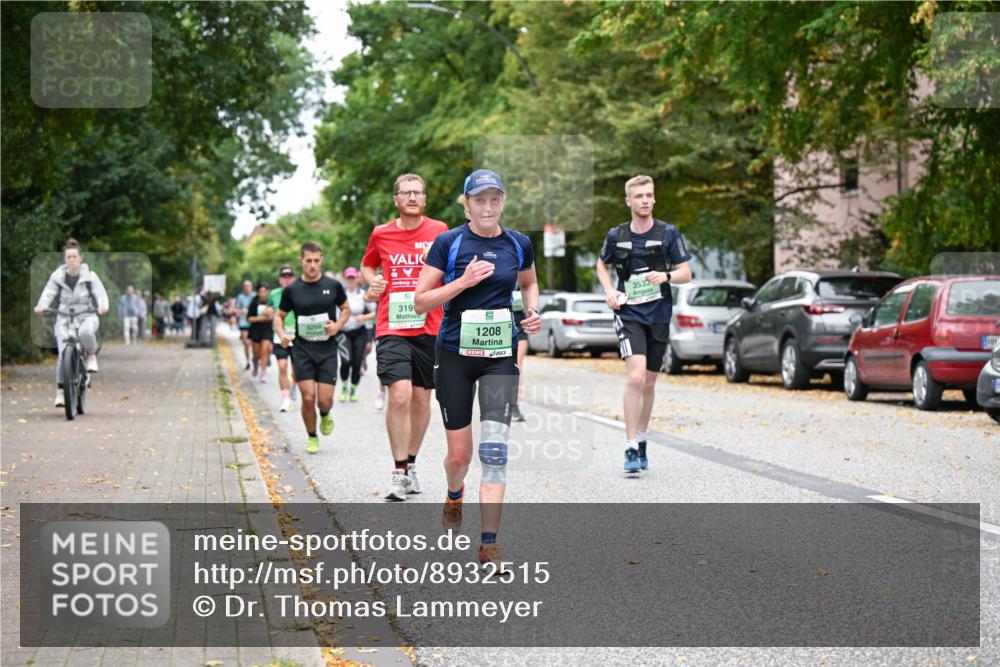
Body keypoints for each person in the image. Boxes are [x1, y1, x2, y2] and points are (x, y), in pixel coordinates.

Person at [414, 169, 541, 567]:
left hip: (500, 356)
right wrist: (463, 282)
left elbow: (529, 284)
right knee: (460, 456)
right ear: (466, 204)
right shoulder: (448, 243)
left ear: (502, 202)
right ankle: (454, 492)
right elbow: (422, 301)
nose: (488, 207)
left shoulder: (518, 243)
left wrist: (533, 310)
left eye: (495, 199)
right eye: (480, 200)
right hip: (454, 355)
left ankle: (488, 543)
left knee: (495, 451)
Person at [595, 174, 693, 474]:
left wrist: (665, 277)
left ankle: (641, 437)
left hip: (659, 314)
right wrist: (610, 291)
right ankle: (628, 446)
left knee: (649, 381)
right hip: (629, 314)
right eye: (639, 196)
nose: (646, 200)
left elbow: (686, 273)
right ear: (629, 201)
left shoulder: (668, 233)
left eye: (649, 195)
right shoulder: (617, 235)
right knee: (635, 378)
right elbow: (602, 264)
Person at [362, 173, 449, 502]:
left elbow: (451, 269)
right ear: (396, 199)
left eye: (418, 193)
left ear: (424, 199)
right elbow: (368, 265)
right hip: (392, 326)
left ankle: (411, 464)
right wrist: (374, 282)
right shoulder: (381, 234)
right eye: (405, 193)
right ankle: (398, 472)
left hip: (430, 326)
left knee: (421, 400)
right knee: (398, 395)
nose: (412, 197)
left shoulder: (440, 231)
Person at [274, 242, 350, 455]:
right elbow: (278, 317)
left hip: (327, 350)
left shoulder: (333, 286)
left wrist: (337, 326)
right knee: (308, 397)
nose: (313, 265)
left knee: (324, 400)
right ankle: (312, 436)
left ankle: (325, 413)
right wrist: (282, 335)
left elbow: (346, 309)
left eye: (316, 261)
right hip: (302, 349)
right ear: (301, 262)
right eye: (308, 261)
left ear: (321, 260)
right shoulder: (292, 290)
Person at [34, 239, 110, 407]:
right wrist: (41, 306)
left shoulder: (90, 276)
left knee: (86, 332)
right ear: (64, 259)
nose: (71, 260)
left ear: (81, 258)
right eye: (68, 257)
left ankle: (90, 356)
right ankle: (61, 390)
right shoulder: (57, 276)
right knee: (62, 352)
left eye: (74, 257)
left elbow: (100, 293)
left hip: (87, 314)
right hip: (64, 316)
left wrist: (103, 306)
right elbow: (48, 293)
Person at [338, 267, 376, 402]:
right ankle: (344, 386)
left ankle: (353, 389)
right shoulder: (340, 293)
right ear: (345, 278)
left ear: (356, 279)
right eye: (348, 278)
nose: (351, 281)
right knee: (345, 361)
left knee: (356, 362)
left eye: (353, 278)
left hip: (360, 332)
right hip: (343, 332)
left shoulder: (362, 294)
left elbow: (374, 312)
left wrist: (364, 317)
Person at [268, 265, 299, 412]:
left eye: (289, 277)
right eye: (284, 277)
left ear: (294, 278)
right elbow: (269, 309)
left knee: (298, 370)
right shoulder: (274, 294)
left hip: (297, 335)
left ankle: (293, 384)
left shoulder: (300, 291)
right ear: (280, 279)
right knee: (282, 366)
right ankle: (286, 400)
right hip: (280, 335)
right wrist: (268, 311)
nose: (287, 280)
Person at [246, 283, 274, 384]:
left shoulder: (272, 301)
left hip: (268, 329)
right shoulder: (254, 301)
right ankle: (255, 364)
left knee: (265, 350)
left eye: (265, 291)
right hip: (255, 330)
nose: (263, 294)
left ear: (268, 291)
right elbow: (249, 318)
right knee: (256, 354)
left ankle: (263, 372)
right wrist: (261, 318)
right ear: (257, 292)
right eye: (260, 291)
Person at [235, 280, 255, 371]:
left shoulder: (255, 296)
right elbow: (235, 309)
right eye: (245, 286)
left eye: (249, 286)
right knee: (246, 343)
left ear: (251, 287)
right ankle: (248, 361)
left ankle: (256, 359)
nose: (247, 288)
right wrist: (241, 311)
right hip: (244, 322)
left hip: (255, 323)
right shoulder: (240, 297)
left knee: (255, 344)